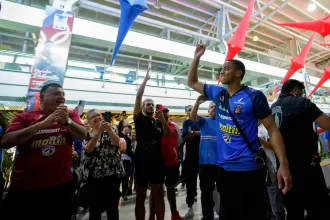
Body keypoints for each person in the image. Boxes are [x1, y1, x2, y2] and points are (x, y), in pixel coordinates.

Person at [187, 44, 291, 220]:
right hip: (224, 170)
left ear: (238, 73)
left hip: (248, 169)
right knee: (229, 214)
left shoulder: (254, 96)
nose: (222, 71)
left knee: (253, 214)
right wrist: (196, 57)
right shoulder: (218, 93)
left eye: (227, 68)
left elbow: (272, 129)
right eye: (222, 69)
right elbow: (192, 82)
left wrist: (283, 163)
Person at [1, 83, 87, 220]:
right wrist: (43, 124)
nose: (61, 97)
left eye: (63, 94)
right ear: (42, 97)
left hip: (61, 188)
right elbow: (5, 142)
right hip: (26, 189)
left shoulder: (70, 115)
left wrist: (68, 122)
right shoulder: (24, 117)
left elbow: (83, 135)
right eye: (56, 94)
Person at [271, 79, 330, 220]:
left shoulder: (273, 107)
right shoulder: (301, 103)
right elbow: (327, 123)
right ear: (297, 91)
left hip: (284, 168)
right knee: (318, 209)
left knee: (293, 211)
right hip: (307, 167)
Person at [133, 68, 170, 220]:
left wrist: (162, 120)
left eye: (152, 104)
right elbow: (138, 95)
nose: (150, 106)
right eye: (147, 104)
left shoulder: (157, 121)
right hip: (142, 160)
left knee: (159, 194)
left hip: (156, 160)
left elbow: (167, 135)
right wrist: (146, 80)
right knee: (141, 195)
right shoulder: (138, 118)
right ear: (142, 107)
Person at [80, 109, 123, 220]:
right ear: (88, 121)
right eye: (93, 117)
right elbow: (88, 150)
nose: (97, 118)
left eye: (98, 115)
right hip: (94, 179)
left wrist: (109, 131)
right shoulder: (86, 133)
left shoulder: (112, 128)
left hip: (112, 176)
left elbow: (116, 143)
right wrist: (98, 133)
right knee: (95, 211)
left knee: (113, 209)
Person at [149, 106, 183, 220]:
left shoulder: (174, 125)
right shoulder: (152, 125)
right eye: (161, 112)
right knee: (155, 190)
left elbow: (179, 140)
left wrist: (172, 151)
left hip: (171, 162)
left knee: (171, 188)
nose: (164, 114)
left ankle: (174, 213)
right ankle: (151, 215)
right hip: (156, 163)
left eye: (165, 112)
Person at [190, 96, 218, 220]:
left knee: (225, 192)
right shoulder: (204, 122)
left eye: (216, 107)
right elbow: (192, 115)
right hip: (205, 164)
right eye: (211, 107)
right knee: (206, 194)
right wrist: (197, 102)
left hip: (222, 164)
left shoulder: (224, 123)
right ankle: (208, 217)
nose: (214, 109)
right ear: (208, 111)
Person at [258, 121, 285, 220]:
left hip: (271, 169)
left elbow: (275, 147)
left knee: (275, 202)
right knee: (264, 203)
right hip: (257, 170)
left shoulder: (267, 127)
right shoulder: (250, 127)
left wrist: (261, 141)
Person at [181, 105, 200, 219]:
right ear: (187, 113)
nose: (191, 111)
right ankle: (190, 207)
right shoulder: (186, 123)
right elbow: (184, 137)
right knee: (190, 183)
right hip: (191, 157)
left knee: (207, 183)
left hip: (203, 156)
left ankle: (212, 207)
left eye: (193, 109)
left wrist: (192, 133)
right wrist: (198, 133)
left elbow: (205, 134)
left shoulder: (202, 121)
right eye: (189, 110)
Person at [118, 116, 134, 201]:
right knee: (120, 177)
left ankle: (124, 193)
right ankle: (120, 192)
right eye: (125, 130)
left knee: (125, 177)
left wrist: (133, 158)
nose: (127, 131)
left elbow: (130, 151)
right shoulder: (120, 136)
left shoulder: (128, 139)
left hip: (127, 160)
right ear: (122, 131)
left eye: (128, 130)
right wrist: (121, 121)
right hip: (120, 160)